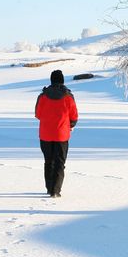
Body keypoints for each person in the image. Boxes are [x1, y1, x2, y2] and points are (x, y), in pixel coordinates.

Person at [34, 69, 79, 198]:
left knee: (48, 161)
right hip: (62, 135)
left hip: (45, 134)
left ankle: (49, 188)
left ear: (51, 80)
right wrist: (70, 125)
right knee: (60, 162)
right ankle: (56, 190)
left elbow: (38, 114)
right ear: (62, 80)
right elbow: (74, 116)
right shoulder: (68, 96)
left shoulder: (42, 96)